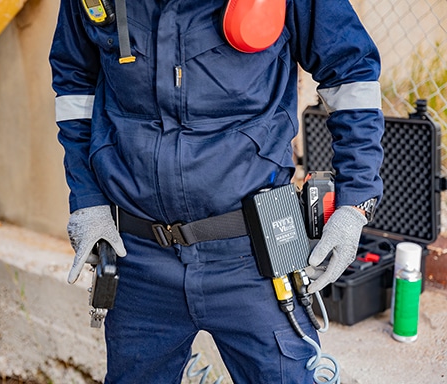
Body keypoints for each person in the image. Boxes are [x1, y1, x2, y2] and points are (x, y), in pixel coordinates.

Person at [49, 0, 384, 382]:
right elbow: (75, 85)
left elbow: (352, 71)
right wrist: (88, 200)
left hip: (255, 256)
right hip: (139, 259)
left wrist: (355, 202)